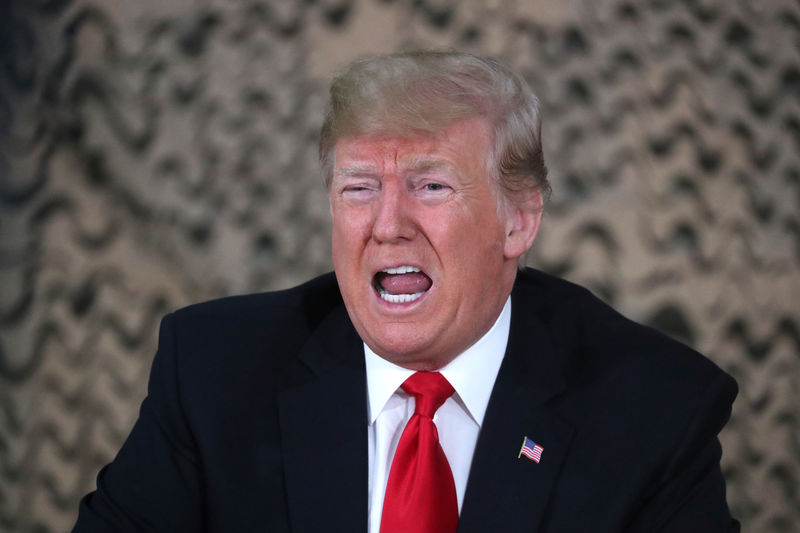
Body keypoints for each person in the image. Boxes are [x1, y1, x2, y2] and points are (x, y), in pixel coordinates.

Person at [73, 50, 739, 532]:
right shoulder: (214, 371)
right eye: (360, 187)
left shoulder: (654, 409)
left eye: (431, 185)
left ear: (519, 220)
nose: (388, 226)